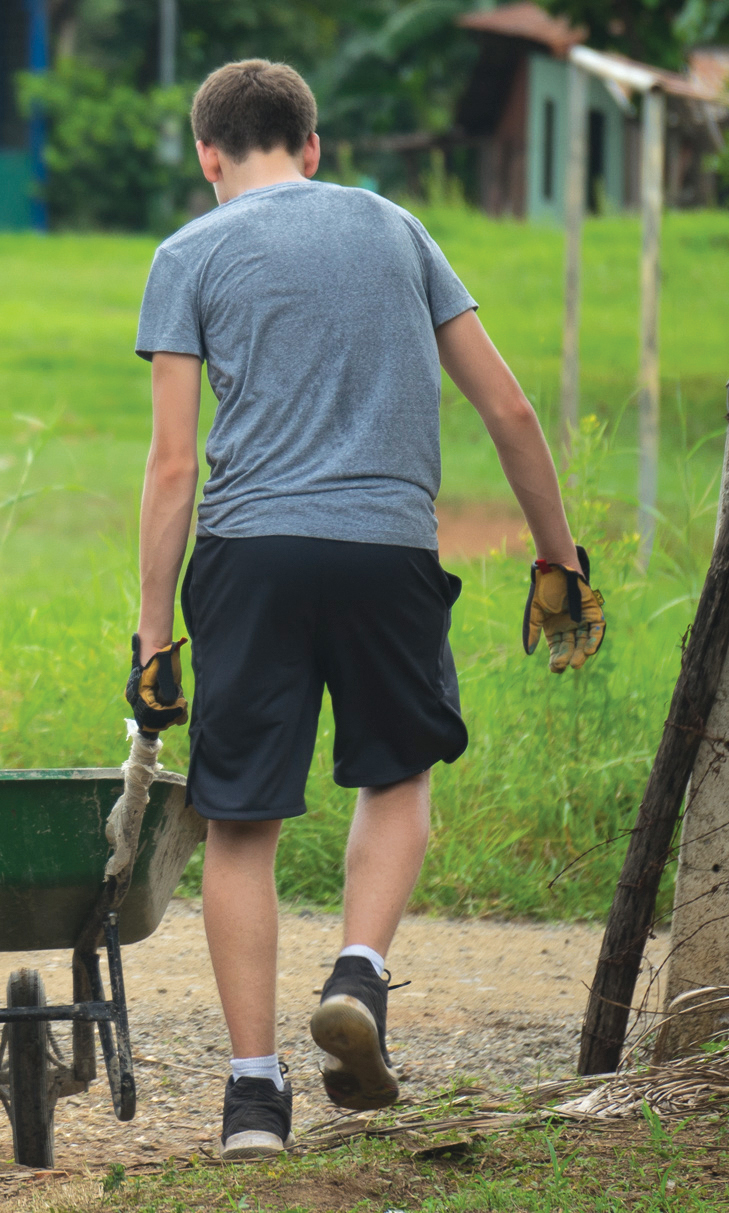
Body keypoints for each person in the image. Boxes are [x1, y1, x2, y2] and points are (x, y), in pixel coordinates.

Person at [124, 60, 606, 1161]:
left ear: (208, 157)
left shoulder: (187, 253)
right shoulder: (395, 229)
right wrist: (558, 564)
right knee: (396, 775)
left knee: (239, 821)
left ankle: (252, 1100)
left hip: (250, 558)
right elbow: (509, 408)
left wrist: (154, 639)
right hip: (386, 550)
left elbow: (167, 468)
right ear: (313, 146)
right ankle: (358, 971)